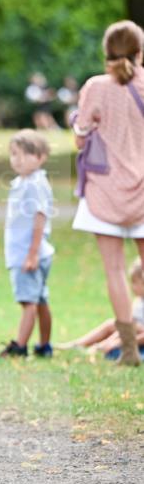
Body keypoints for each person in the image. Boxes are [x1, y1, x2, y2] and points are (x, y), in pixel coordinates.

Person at [71, 19, 144, 366]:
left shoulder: (96, 87)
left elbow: (80, 136)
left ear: (107, 52)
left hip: (105, 193)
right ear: (140, 51)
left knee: (115, 271)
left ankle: (129, 351)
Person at [0, 130, 54, 358]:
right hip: (30, 253)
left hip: (28, 255)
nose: (17, 159)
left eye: (24, 155)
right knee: (40, 300)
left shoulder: (34, 184)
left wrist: (31, 255)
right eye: (14, 154)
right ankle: (44, 346)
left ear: (40, 157)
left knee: (28, 302)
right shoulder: (23, 182)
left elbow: (39, 219)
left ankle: (20, 346)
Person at [57, 258, 144, 356]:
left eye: (134, 282)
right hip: (135, 333)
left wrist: (118, 343)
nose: (132, 287)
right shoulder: (138, 301)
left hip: (139, 336)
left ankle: (99, 347)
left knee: (128, 327)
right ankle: (78, 344)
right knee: (114, 324)